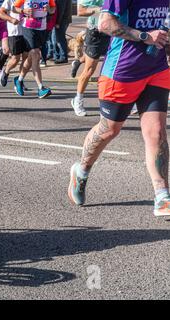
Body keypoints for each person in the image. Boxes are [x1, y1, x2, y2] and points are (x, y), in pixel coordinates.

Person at [68, 0, 170, 217]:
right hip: (122, 71)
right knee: (109, 129)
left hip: (157, 68)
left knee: (157, 132)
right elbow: (106, 24)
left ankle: (162, 195)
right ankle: (82, 171)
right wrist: (145, 36)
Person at [70, 0, 109, 116]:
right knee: (89, 70)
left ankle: (122, 103)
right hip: (95, 33)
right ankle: (78, 100)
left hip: (112, 32)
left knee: (114, 70)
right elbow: (80, 11)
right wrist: (98, 9)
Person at [13, 0, 54, 98]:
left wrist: (49, 9)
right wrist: (23, 11)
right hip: (28, 26)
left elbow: (53, 9)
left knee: (31, 57)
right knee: (36, 53)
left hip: (42, 27)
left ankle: (19, 80)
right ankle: (41, 88)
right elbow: (13, 8)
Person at [0, 0, 31, 96]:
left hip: (27, 30)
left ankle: (20, 80)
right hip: (15, 32)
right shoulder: (10, 1)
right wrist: (11, 19)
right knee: (15, 59)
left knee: (27, 57)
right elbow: (0, 13)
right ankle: (6, 72)